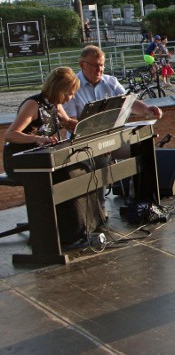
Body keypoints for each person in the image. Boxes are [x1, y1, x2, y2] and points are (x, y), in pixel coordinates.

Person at [2, 67, 107, 245]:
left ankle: (89, 225)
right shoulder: (33, 105)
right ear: (58, 89)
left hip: (42, 159)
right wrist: (38, 139)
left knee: (83, 168)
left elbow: (68, 123)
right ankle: (70, 235)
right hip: (21, 161)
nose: (71, 97)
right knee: (66, 175)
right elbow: (10, 135)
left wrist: (88, 126)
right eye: (69, 93)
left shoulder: (55, 105)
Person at [66, 45, 163, 121]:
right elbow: (70, 122)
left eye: (101, 65)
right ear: (82, 65)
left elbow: (128, 103)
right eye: (95, 65)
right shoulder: (70, 88)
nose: (99, 69)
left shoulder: (111, 82)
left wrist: (147, 109)